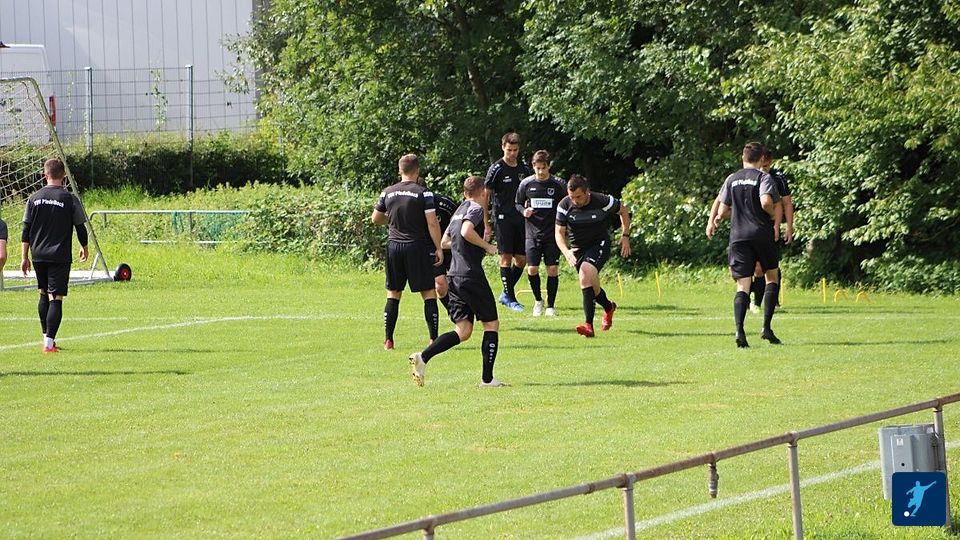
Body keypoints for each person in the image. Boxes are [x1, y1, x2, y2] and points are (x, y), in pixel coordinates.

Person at [408, 175, 504, 387]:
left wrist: (467, 244)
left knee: (464, 330)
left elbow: (445, 242)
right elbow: (466, 231)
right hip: (471, 275)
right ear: (483, 193)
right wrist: (487, 246)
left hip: (454, 275)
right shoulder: (475, 208)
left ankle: (423, 357)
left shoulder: (458, 211)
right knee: (491, 324)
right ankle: (487, 380)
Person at [709, 142, 783, 348]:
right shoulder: (763, 177)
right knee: (771, 276)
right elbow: (766, 202)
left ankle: (740, 330)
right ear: (761, 159)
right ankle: (766, 327)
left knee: (743, 285)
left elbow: (723, 211)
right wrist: (771, 215)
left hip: (738, 235)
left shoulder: (731, 179)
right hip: (761, 233)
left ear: (743, 157)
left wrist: (724, 217)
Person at [372, 154, 443, 351]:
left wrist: (393, 220)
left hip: (394, 247)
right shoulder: (423, 193)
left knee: (393, 293)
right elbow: (432, 222)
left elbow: (375, 218)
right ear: (418, 170)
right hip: (416, 246)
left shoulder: (387, 192)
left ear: (400, 170)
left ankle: (388, 340)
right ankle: (433, 339)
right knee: (428, 293)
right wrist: (438, 247)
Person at [20, 158, 89, 353]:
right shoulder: (69, 199)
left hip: (38, 255)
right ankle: (49, 344)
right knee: (56, 298)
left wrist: (24, 257)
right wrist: (84, 246)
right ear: (63, 176)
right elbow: (80, 227)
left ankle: (46, 338)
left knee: (43, 293)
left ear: (45, 175)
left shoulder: (34, 198)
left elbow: (25, 230)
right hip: (59, 255)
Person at [555, 174, 631, 337]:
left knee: (585, 275)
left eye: (578, 197)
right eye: (571, 197)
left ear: (587, 192)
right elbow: (559, 233)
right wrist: (566, 251)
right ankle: (609, 307)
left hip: (599, 244)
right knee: (592, 287)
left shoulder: (602, 201)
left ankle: (588, 326)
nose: (575, 201)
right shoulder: (564, 205)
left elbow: (623, 211)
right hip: (577, 249)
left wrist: (625, 236)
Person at [485, 131, 532, 312]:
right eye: (509, 150)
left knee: (522, 259)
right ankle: (510, 298)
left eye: (515, 150)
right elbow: (486, 196)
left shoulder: (524, 169)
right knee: (506, 257)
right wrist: (486, 222)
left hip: (520, 217)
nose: (512, 153)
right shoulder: (496, 168)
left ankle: (506, 293)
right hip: (503, 217)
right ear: (503, 147)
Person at [515, 150, 566, 316]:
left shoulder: (559, 184)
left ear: (549, 166)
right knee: (532, 269)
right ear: (533, 166)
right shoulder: (526, 184)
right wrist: (524, 211)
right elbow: (517, 203)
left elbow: (568, 204)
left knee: (552, 269)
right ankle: (538, 301)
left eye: (543, 168)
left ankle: (551, 306)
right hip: (532, 233)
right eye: (538, 168)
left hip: (552, 234)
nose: (541, 171)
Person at [750, 148, 794, 312]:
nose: (763, 170)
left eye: (766, 166)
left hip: (771, 225)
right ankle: (753, 300)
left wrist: (788, 227)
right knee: (755, 267)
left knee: (771, 265)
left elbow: (787, 203)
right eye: (761, 166)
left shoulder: (778, 178)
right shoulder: (750, 176)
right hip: (752, 225)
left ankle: (772, 301)